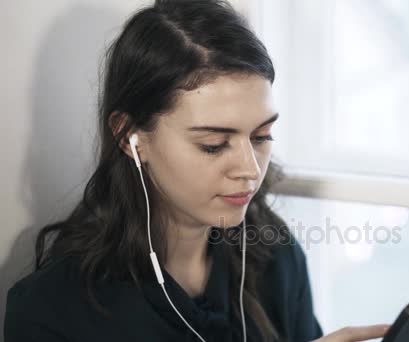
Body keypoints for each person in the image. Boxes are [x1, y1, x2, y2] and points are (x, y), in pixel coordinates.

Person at [4, 0, 389, 341]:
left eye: (262, 135)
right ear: (129, 136)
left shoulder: (275, 257)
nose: (249, 170)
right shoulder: (54, 312)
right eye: (213, 145)